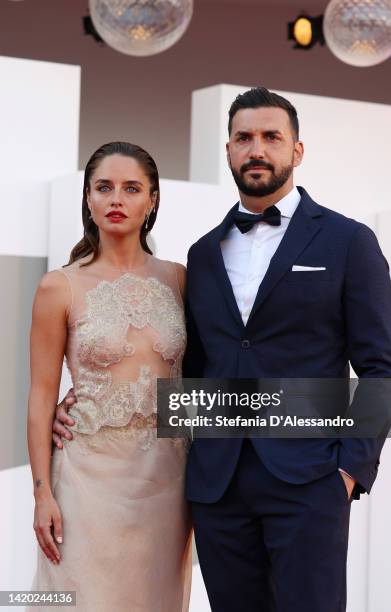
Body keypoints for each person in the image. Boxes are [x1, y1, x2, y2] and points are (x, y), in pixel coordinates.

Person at [53, 89, 391, 612]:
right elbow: (190, 366)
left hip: (310, 481)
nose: (256, 148)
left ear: (297, 151)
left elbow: (382, 368)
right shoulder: (202, 253)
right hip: (217, 485)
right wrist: (90, 401)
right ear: (229, 150)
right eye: (244, 137)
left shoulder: (348, 242)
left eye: (271, 137)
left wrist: (349, 473)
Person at [27, 142, 192, 612]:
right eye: (104, 187)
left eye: (131, 188)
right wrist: (41, 494)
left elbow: (199, 377)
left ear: (153, 200)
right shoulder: (60, 286)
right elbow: (41, 397)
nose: (116, 199)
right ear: (88, 198)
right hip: (86, 481)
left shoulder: (180, 279)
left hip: (167, 484)